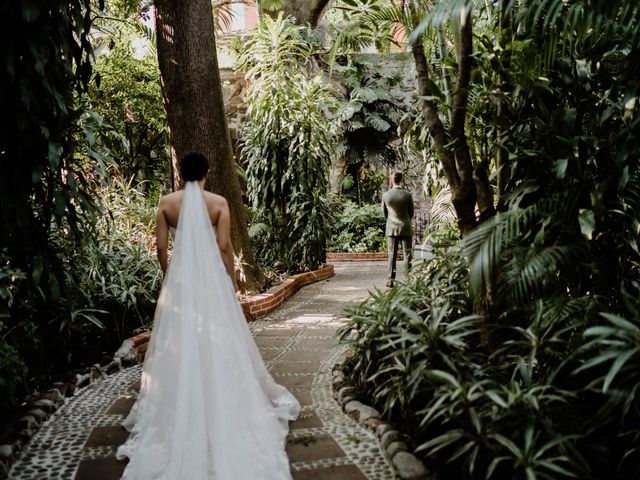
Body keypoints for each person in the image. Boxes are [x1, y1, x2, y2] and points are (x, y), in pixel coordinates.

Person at [116, 152, 300, 479]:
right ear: (208, 172)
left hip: (181, 281)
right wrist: (229, 281)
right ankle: (218, 396)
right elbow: (225, 246)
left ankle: (182, 402)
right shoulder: (218, 202)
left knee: (179, 339)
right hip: (211, 281)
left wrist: (170, 274)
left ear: (180, 171)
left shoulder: (166, 203)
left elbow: (160, 247)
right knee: (220, 335)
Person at [382, 171, 414, 288]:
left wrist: (391, 221)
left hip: (391, 229)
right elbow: (411, 213)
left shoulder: (386, 195)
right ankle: (409, 280)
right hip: (406, 227)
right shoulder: (407, 195)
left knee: (392, 255)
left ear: (392, 180)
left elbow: (384, 213)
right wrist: (405, 220)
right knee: (407, 255)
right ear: (402, 180)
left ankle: (391, 280)